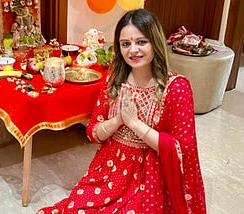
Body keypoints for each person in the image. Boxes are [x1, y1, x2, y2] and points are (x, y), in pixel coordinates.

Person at [37, 8, 206, 214]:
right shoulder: (114, 82)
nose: (133, 50)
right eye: (126, 44)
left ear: (156, 43)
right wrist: (118, 120)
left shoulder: (176, 88)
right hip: (110, 170)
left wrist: (134, 123)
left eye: (141, 42)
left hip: (151, 178)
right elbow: (93, 133)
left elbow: (181, 151)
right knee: (77, 208)